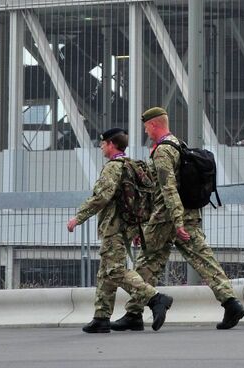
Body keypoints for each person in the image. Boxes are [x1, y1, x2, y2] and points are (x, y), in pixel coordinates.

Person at [112, 107, 244, 331]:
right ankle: (231, 302)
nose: (145, 130)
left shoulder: (163, 151)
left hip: (167, 218)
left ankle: (135, 313)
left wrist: (176, 221)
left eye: (146, 126)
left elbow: (168, 189)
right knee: (203, 259)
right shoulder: (178, 144)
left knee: (146, 261)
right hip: (187, 214)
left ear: (153, 125)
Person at [67, 127, 173, 333]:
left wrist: (77, 218)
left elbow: (101, 197)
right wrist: (137, 229)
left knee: (114, 270)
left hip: (113, 227)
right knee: (105, 273)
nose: (100, 148)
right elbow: (138, 200)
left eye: (102, 144)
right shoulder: (131, 165)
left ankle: (155, 298)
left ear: (111, 144)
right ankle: (101, 317)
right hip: (126, 227)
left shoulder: (112, 168)